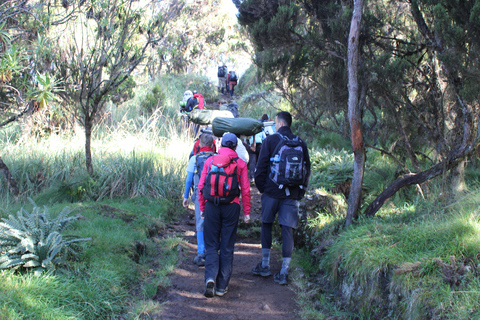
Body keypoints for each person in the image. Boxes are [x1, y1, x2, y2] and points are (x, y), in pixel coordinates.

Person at [252, 111, 311, 285]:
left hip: (271, 192)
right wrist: (301, 192)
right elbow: (307, 169)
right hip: (292, 194)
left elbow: (260, 168)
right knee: (287, 230)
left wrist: (264, 189)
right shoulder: (301, 142)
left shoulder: (270, 140)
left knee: (266, 225)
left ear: (279, 123)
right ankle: (284, 272)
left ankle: (265, 265)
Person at [198, 132, 251, 297]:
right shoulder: (240, 164)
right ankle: (221, 287)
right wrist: (247, 212)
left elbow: (201, 185)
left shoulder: (210, 160)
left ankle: (209, 278)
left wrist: (202, 208)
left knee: (212, 245)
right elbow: (246, 189)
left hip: (212, 206)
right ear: (235, 146)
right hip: (231, 207)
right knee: (227, 247)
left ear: (221, 146)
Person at [183, 133, 216, 266]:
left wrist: (186, 197)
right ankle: (212, 252)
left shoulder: (195, 159)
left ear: (200, 144)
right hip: (214, 194)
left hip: (199, 194)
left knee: (200, 223)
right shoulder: (216, 158)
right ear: (212, 145)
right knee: (213, 223)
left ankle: (201, 253)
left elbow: (189, 180)